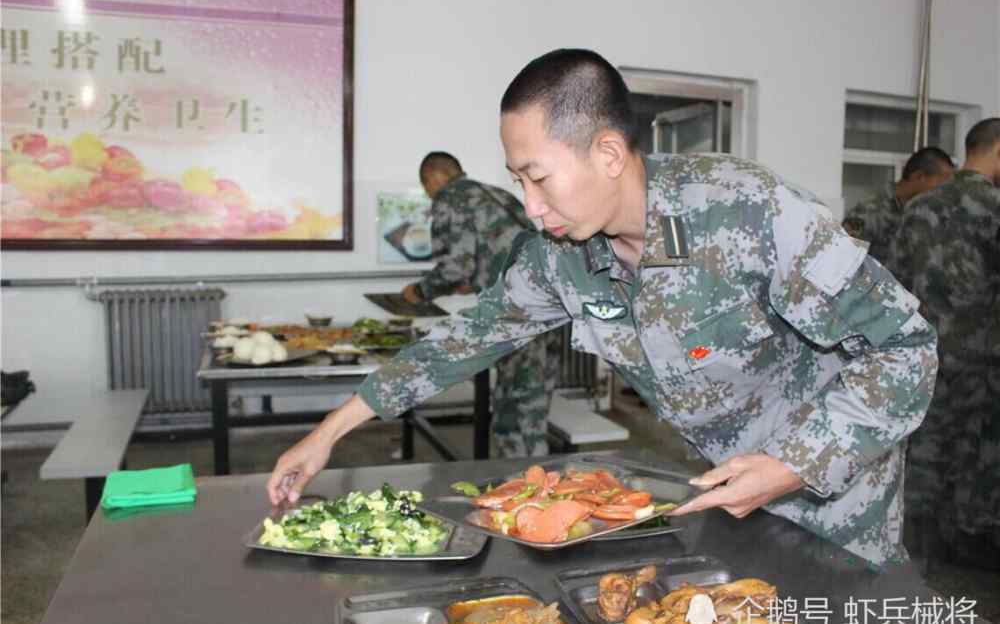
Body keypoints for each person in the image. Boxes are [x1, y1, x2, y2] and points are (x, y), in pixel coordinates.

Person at [269, 49, 937, 567]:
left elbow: (907, 349)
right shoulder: (561, 254)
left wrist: (792, 463)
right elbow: (464, 338)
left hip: (835, 495)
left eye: (538, 178)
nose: (529, 206)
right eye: (517, 181)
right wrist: (329, 430)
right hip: (723, 491)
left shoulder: (747, 212)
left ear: (609, 153)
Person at [890, 118, 1000, 569]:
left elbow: (895, 282)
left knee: (925, 452)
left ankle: (914, 554)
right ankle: (970, 554)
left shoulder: (918, 209)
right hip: (984, 364)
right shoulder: (994, 207)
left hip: (925, 355)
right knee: (979, 457)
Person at [399, 151, 561, 457]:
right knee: (532, 409)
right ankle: (539, 487)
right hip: (551, 304)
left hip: (517, 314)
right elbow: (501, 254)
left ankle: (520, 490)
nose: (428, 194)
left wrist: (419, 291)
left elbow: (455, 267)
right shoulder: (498, 195)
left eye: (426, 187)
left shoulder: (450, 199)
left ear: (434, 177)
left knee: (512, 416)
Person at [842, 147, 954, 267]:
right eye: (941, 184)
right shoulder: (870, 212)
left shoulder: (926, 212)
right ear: (919, 176)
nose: (943, 191)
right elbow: (841, 260)